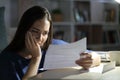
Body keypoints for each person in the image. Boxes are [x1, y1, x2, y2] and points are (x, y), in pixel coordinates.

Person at [0, 6, 101, 80]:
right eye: (35, 31)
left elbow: (97, 56)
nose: (40, 38)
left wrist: (92, 60)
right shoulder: (6, 60)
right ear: (24, 30)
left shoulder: (54, 47)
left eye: (45, 33)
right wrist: (36, 58)